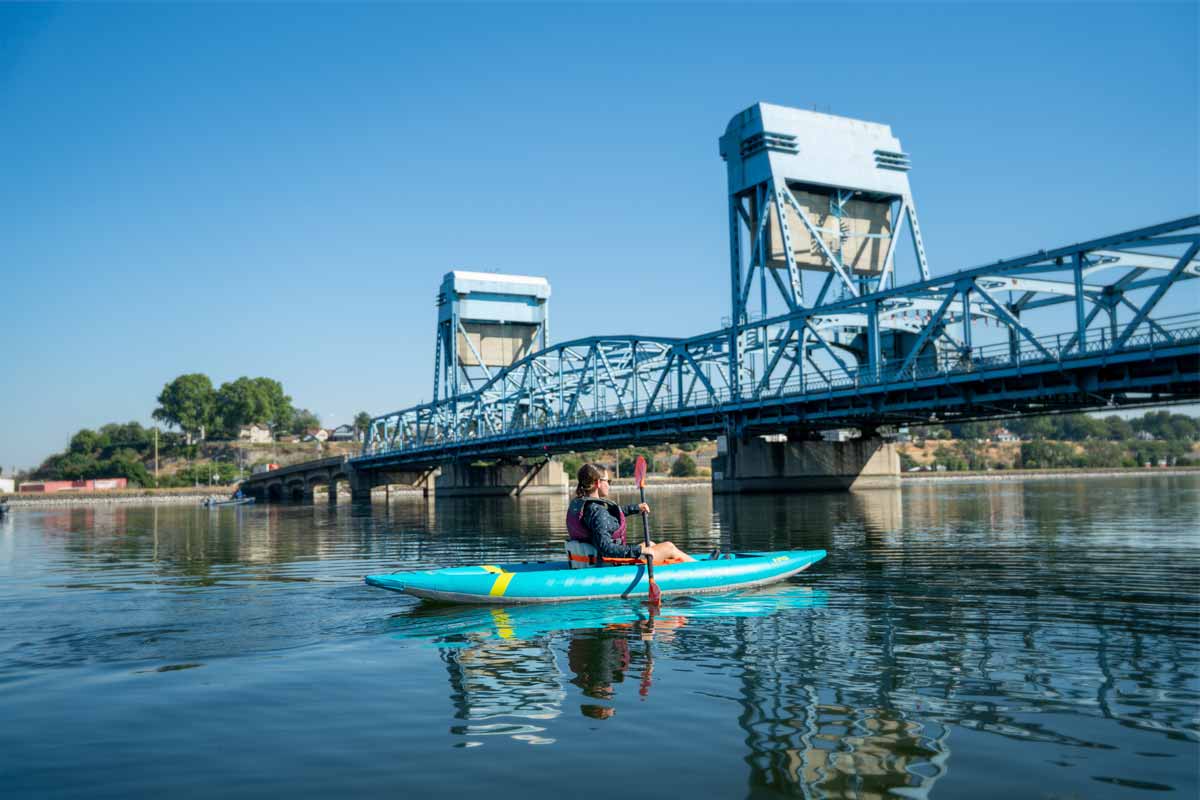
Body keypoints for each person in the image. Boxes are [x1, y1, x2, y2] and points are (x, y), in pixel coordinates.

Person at [566, 463, 694, 564]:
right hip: (611, 563)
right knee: (669, 547)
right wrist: (638, 550)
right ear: (598, 483)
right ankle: (701, 568)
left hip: (592, 559)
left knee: (652, 544)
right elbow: (606, 548)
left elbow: (607, 518)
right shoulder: (598, 512)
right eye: (608, 481)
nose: (609, 485)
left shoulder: (583, 505)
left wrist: (635, 508)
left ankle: (690, 563)